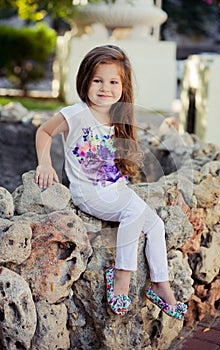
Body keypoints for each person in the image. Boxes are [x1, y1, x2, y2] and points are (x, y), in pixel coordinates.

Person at [35, 44, 187, 320]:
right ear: (85, 81)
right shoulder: (76, 114)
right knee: (134, 212)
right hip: (88, 192)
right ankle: (120, 278)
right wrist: (44, 162)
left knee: (156, 224)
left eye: (113, 81)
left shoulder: (118, 116)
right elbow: (44, 131)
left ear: (123, 86)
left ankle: (160, 285)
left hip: (115, 190)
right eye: (97, 80)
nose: (105, 88)